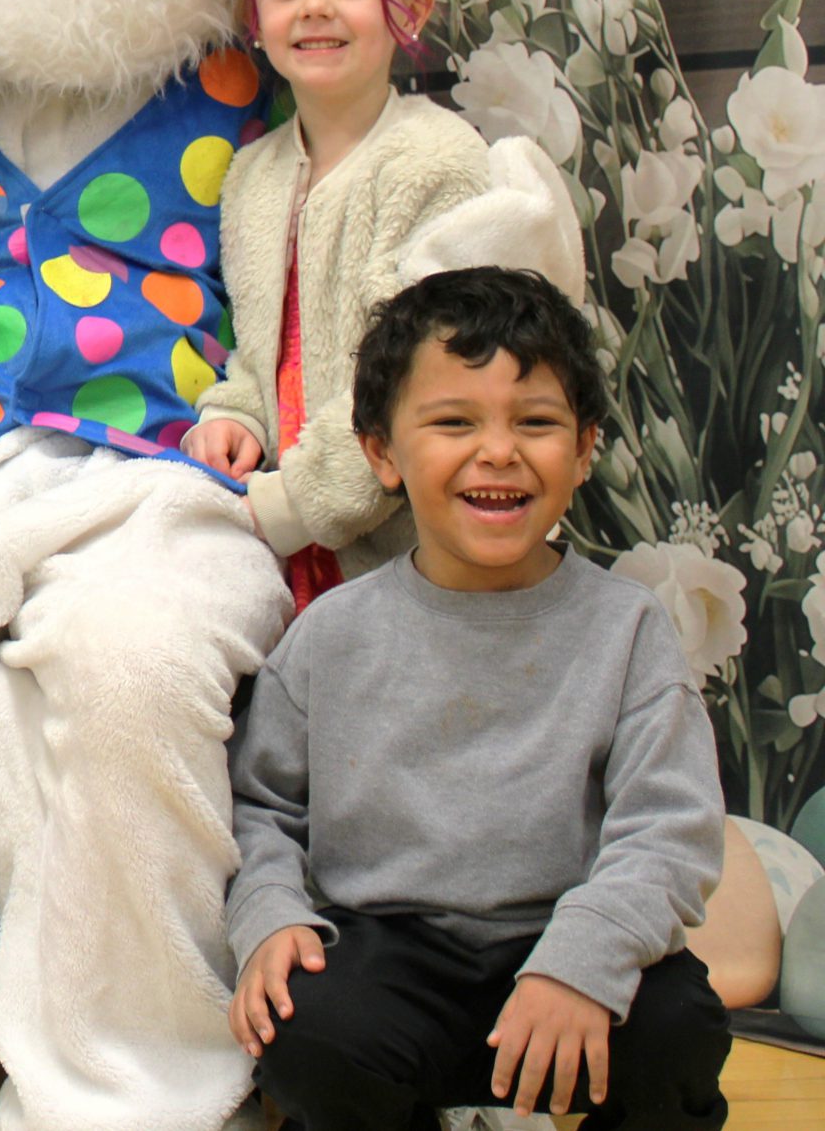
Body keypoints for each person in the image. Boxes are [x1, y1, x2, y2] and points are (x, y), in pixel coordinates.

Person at [228, 266, 731, 1127]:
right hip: (389, 956)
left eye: (535, 423)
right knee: (308, 1029)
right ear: (383, 452)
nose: (498, 451)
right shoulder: (332, 635)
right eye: (454, 421)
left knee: (680, 1026)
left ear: (583, 451)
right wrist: (269, 918)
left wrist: (582, 960)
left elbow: (669, 830)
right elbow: (259, 807)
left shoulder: (629, 631)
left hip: (571, 939)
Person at [183, 0, 494, 610]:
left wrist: (287, 508)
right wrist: (235, 414)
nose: (316, 6)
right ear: (252, 17)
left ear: (411, 11)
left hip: (402, 558)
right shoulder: (252, 175)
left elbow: (423, 386)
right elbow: (261, 349)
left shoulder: (436, 163)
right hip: (282, 553)